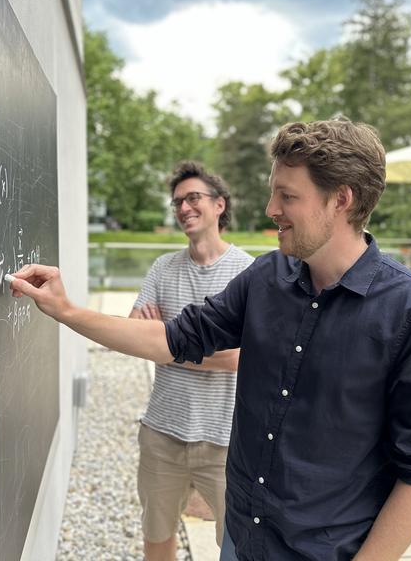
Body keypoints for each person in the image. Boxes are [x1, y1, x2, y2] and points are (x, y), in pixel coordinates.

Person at [9, 118, 411, 561]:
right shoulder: (265, 278)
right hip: (243, 540)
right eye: (273, 192)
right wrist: (66, 311)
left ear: (340, 199)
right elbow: (173, 338)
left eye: (287, 196)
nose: (271, 209)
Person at [129, 161, 254, 560]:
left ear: (220, 205)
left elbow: (240, 359)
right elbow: (137, 339)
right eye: (178, 201)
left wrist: (166, 340)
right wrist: (188, 348)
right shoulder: (162, 268)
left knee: (235, 545)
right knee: (157, 534)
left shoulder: (248, 272)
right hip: (162, 431)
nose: (184, 207)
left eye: (193, 198)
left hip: (224, 440)